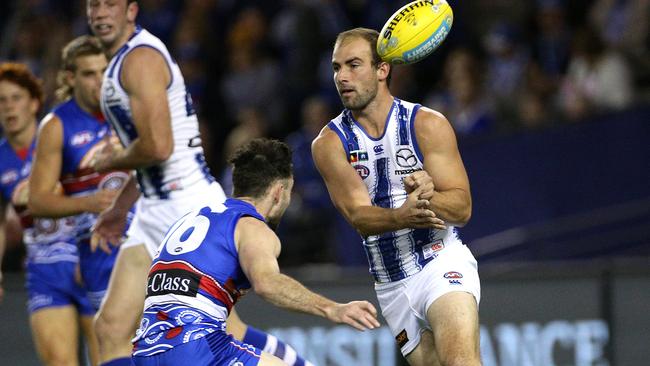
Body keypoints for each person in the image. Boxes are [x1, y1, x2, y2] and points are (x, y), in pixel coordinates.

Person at [85, 2, 311, 365]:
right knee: (110, 329)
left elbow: (158, 147)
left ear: (131, 10)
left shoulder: (139, 60)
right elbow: (148, 154)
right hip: (153, 205)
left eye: (110, 3)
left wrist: (109, 159)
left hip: (186, 204)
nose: (99, 12)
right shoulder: (122, 62)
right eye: (93, 3)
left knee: (221, 332)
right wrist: (120, 207)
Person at [311, 28, 482, 366]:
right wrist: (402, 215)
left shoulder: (427, 125)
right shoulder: (328, 144)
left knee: (461, 361)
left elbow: (462, 209)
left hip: (440, 261)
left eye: (354, 65)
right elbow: (359, 217)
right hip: (390, 285)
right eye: (336, 67)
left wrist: (426, 198)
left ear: (382, 69)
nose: (342, 77)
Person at [132, 138, 379, 365]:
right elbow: (267, 284)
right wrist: (332, 308)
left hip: (145, 351)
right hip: (197, 348)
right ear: (279, 192)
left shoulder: (191, 220)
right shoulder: (252, 227)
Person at [29, 35, 126, 342]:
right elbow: (38, 201)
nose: (100, 81)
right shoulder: (56, 126)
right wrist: (88, 203)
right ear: (71, 78)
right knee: (113, 343)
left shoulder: (127, 111)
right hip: (99, 249)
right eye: (89, 74)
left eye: (104, 71)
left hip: (145, 238)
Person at [0, 62, 98, 365]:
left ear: (33, 103)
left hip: (86, 259)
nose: (9, 107)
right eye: (1, 100)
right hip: (44, 269)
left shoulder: (59, 135)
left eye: (16, 98)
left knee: (106, 358)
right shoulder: (1, 158)